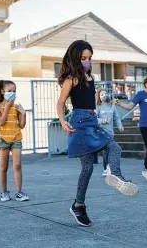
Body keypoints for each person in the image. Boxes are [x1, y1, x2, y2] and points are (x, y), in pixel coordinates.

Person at [56, 40, 138, 227]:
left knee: (111, 150)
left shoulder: (90, 78)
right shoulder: (71, 79)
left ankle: (111, 177)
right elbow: (60, 103)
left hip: (92, 120)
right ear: (75, 58)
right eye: (83, 58)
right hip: (80, 122)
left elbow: (91, 102)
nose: (87, 61)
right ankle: (82, 202)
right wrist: (62, 121)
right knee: (90, 166)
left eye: (89, 58)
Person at [0, 80, 29, 202]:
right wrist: (7, 107)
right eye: (9, 91)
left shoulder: (17, 106)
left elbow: (21, 125)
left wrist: (23, 113)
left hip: (16, 138)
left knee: (17, 165)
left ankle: (19, 192)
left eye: (14, 91)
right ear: (2, 91)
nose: (12, 93)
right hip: (3, 139)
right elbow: (1, 121)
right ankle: (4, 192)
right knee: (3, 166)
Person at [95, 88, 124, 176]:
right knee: (107, 150)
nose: (104, 96)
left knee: (109, 150)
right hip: (102, 132)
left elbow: (116, 117)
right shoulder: (98, 106)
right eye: (101, 94)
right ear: (99, 97)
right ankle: (106, 168)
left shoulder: (112, 106)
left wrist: (120, 126)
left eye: (105, 93)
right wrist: (103, 120)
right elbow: (94, 119)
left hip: (110, 131)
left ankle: (107, 167)